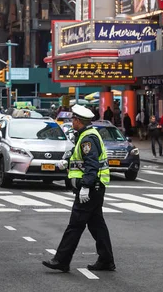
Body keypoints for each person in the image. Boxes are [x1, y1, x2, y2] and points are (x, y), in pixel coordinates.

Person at [43, 104, 115, 273]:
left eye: (73, 119)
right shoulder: (86, 135)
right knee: (97, 225)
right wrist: (67, 163)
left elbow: (92, 165)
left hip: (91, 188)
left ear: (78, 121)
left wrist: (86, 187)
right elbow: (83, 161)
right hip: (96, 187)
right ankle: (106, 260)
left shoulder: (87, 139)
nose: (71, 122)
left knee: (75, 225)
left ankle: (61, 260)